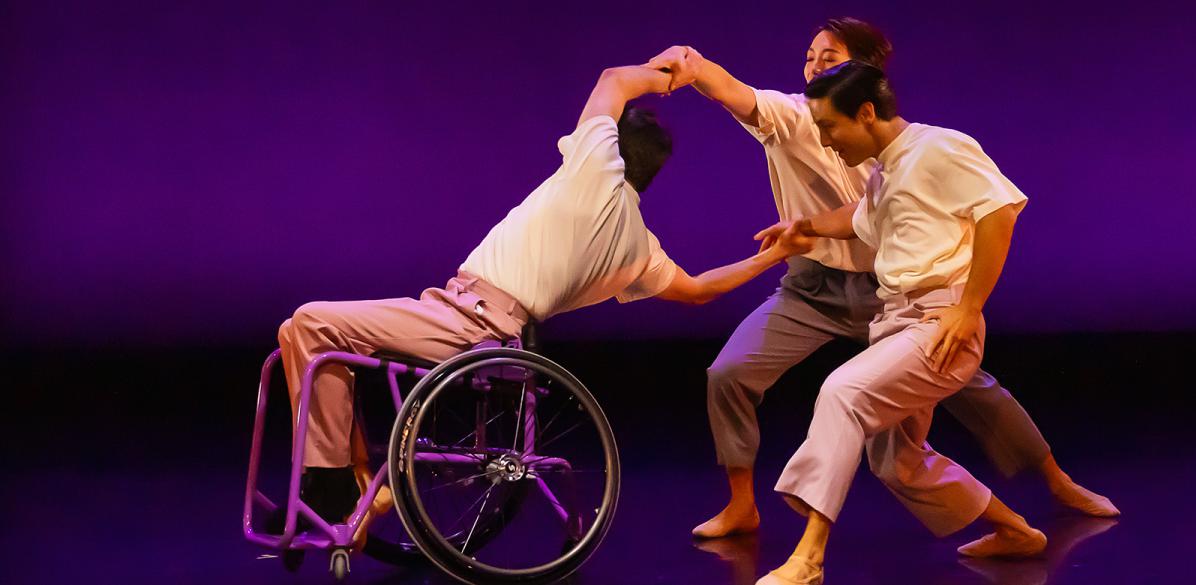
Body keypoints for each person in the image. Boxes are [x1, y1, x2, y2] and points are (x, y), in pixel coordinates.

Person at [273, 64, 817, 528]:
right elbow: (699, 290)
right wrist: (772, 255)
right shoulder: (638, 246)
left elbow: (613, 80)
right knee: (298, 335)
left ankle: (326, 486)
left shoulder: (595, 172)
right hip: (465, 314)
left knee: (312, 321)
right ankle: (341, 483)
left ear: (615, 149)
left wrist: (674, 71)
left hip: (470, 320)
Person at [644, 18, 1116, 541]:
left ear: (868, 81)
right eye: (810, 57)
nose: (815, 67)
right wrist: (690, 64)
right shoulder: (798, 116)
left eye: (831, 58)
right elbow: (734, 93)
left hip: (887, 294)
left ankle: (1056, 482)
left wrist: (967, 306)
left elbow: (979, 211)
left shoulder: (903, 145)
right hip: (813, 289)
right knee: (730, 374)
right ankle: (743, 507)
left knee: (971, 388)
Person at [752, 61, 1049, 584]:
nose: (824, 140)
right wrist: (803, 227)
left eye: (828, 127)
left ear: (866, 113)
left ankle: (808, 559)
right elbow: (858, 216)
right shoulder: (887, 170)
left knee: (843, 392)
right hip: (898, 322)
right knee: (897, 462)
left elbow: (999, 213)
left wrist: (969, 305)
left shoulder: (939, 147)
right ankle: (1016, 531)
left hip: (939, 325)